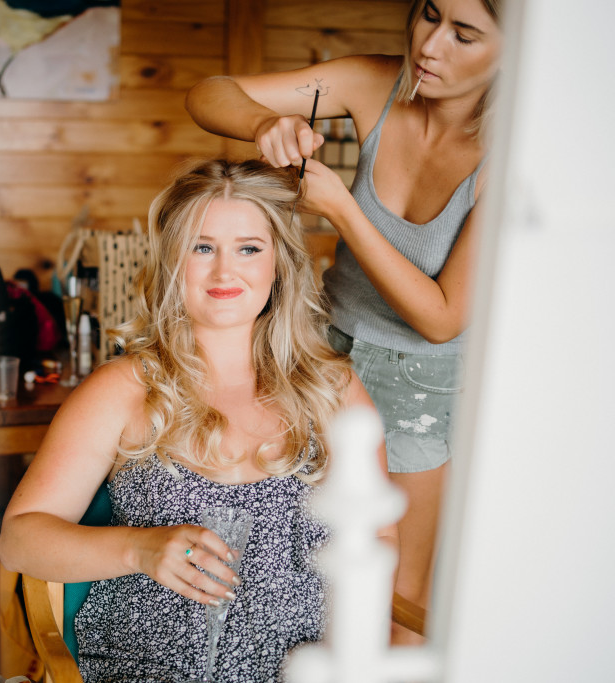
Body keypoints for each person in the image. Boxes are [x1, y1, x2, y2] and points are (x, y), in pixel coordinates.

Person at [0, 159, 395, 681]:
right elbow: (19, 540)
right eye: (202, 248)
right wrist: (139, 548)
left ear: (279, 264)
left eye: (249, 249)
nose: (224, 272)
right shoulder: (124, 389)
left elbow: (380, 539)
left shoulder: (333, 390)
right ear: (172, 262)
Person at [184, 0, 503, 643]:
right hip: (316, 351)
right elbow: (208, 93)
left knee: (393, 591)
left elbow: (443, 319)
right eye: (429, 14)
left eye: (464, 34)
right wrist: (265, 122)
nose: (430, 45)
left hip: (420, 388)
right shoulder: (375, 82)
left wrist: (342, 210)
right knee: (289, 553)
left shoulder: (509, 154)